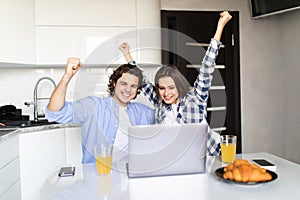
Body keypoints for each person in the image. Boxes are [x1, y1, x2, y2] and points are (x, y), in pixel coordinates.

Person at [119, 11, 232, 155]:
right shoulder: (160, 102)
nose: (166, 93)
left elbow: (207, 67)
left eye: (171, 88)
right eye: (162, 88)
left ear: (179, 86)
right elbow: (142, 80)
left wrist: (220, 25)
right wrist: (127, 54)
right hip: (173, 159)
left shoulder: (195, 98)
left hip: (205, 158)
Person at [45, 58, 154, 163]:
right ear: (115, 83)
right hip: (99, 175)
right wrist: (67, 77)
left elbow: (167, 116)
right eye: (123, 83)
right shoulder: (93, 106)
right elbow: (55, 112)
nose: (128, 89)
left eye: (133, 86)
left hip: (132, 173)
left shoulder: (142, 112)